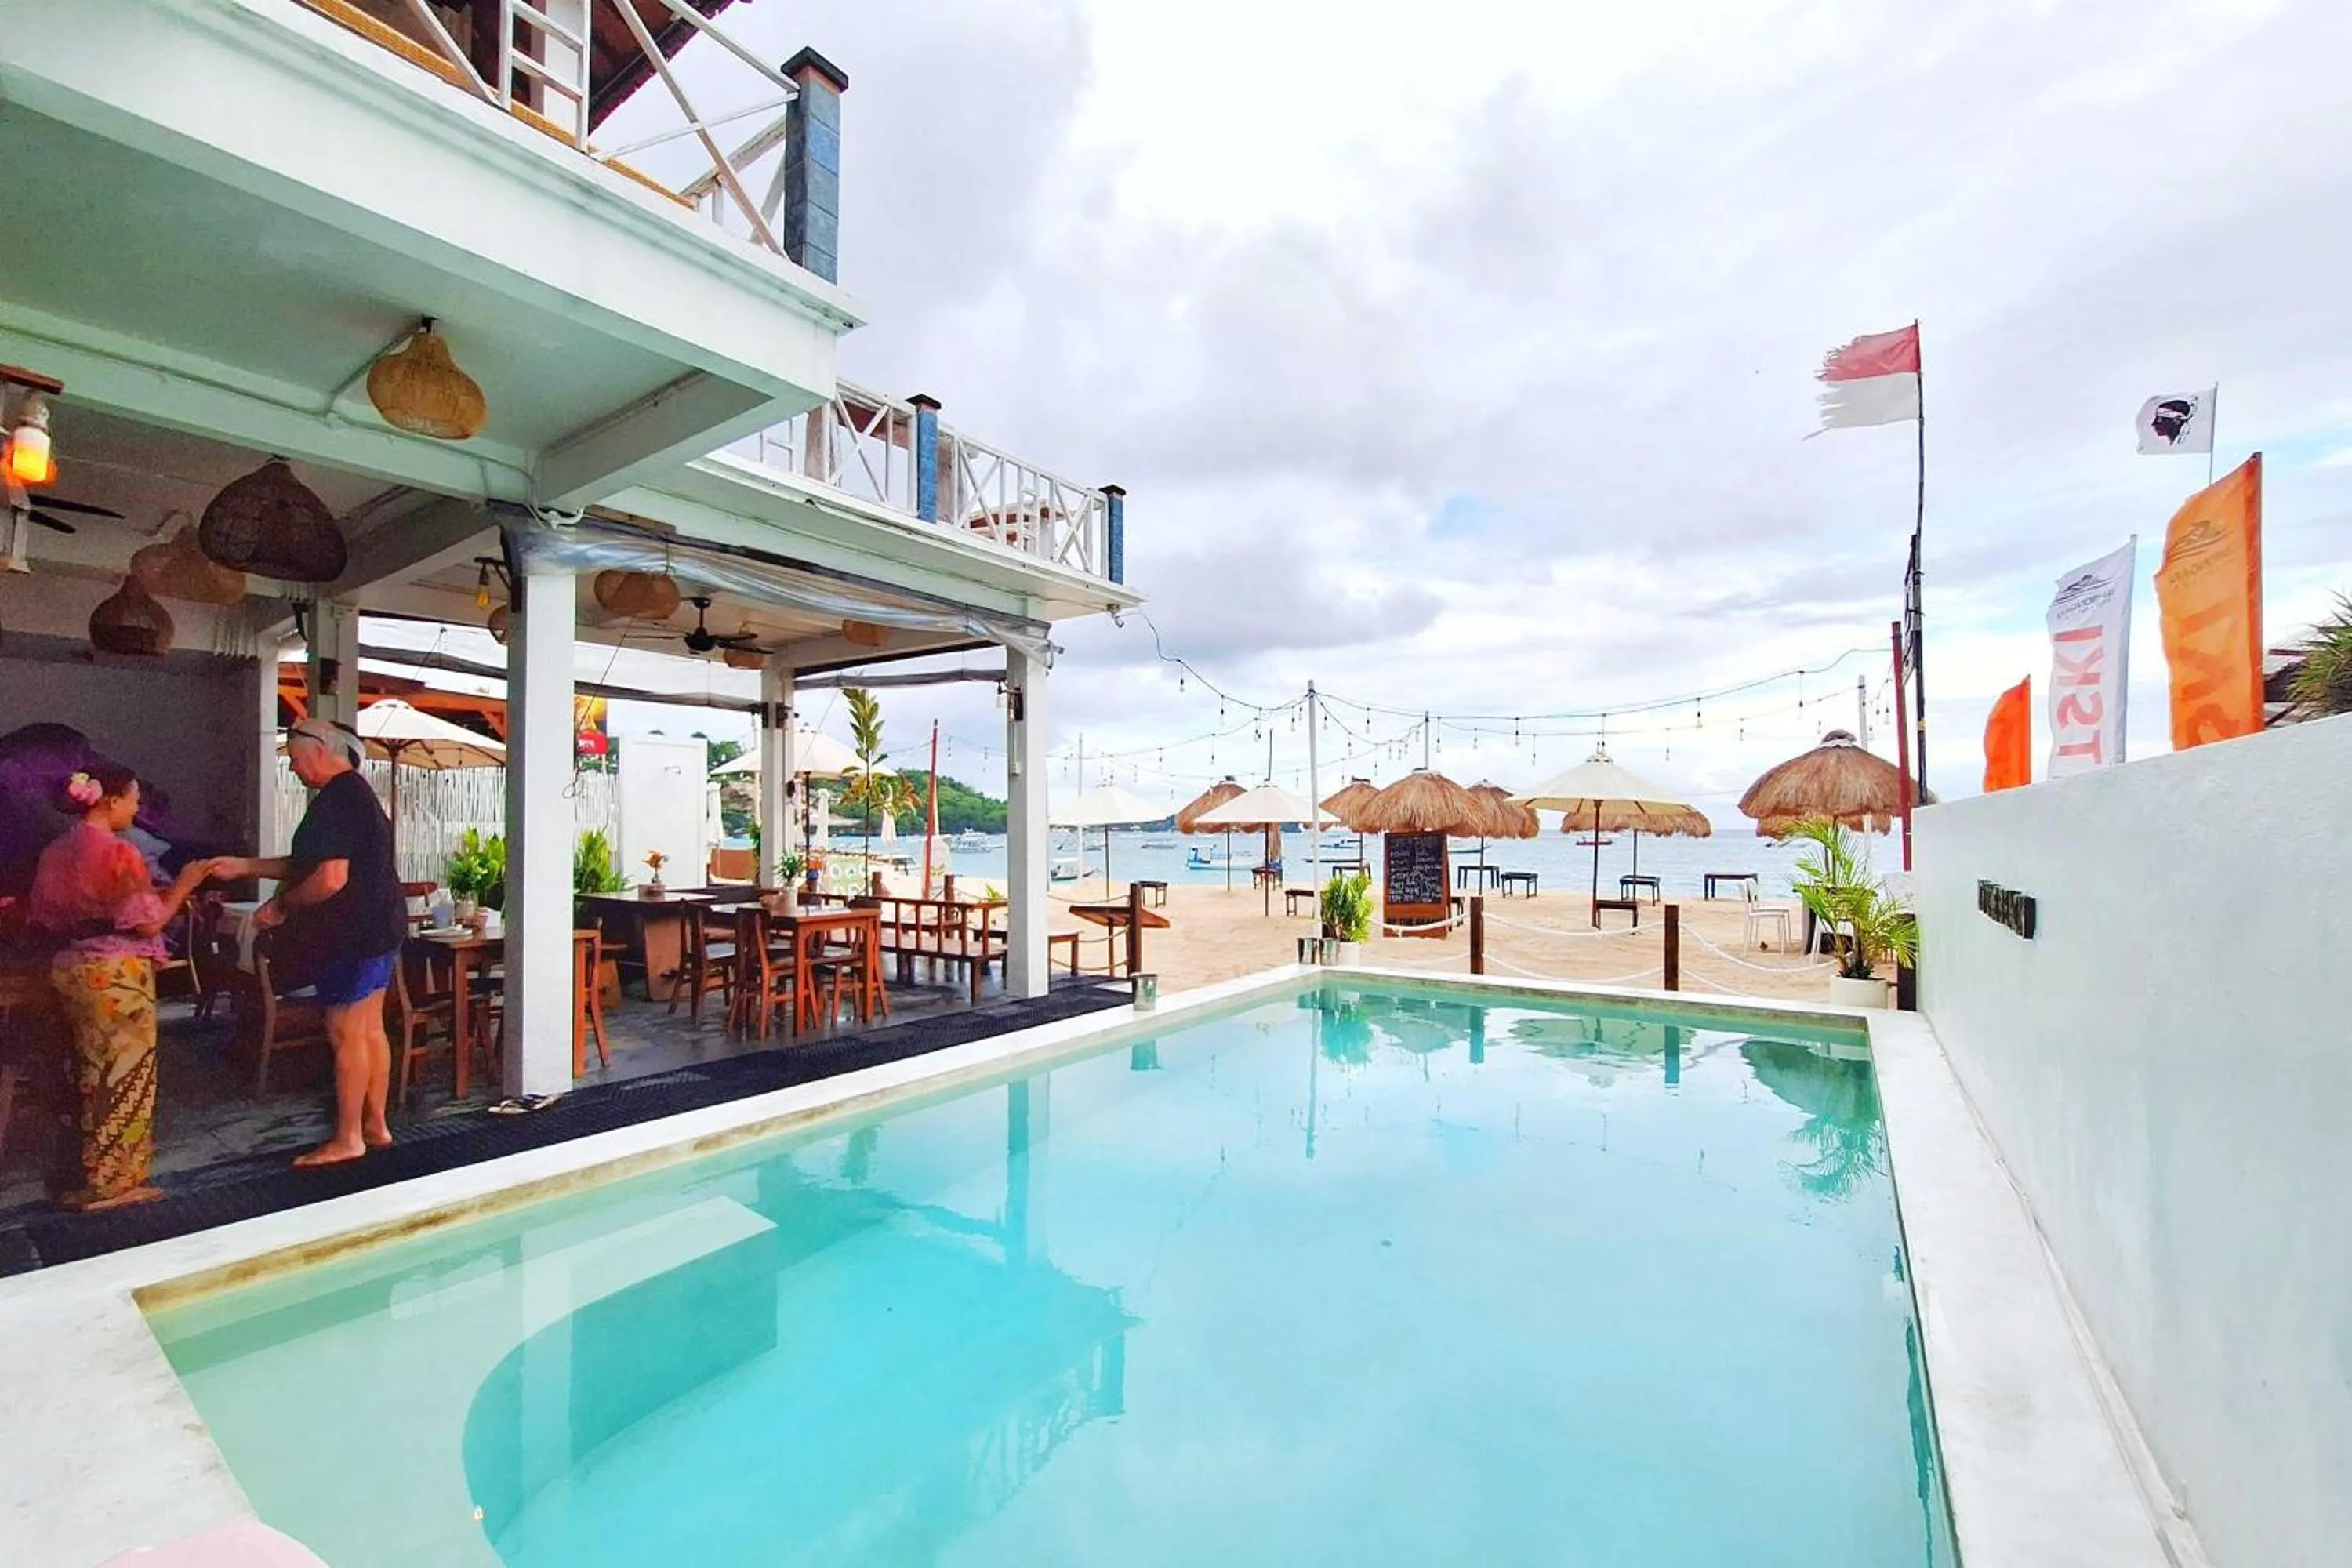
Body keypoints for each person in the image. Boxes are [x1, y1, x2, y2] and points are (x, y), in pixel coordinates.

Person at [208, 718, 408, 1167]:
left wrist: (280, 908)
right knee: (370, 1028)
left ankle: (349, 1137)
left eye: (296, 759)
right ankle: (375, 1126)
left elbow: (330, 879)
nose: (294, 768)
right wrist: (244, 867)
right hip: (381, 926)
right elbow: (307, 863)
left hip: (356, 931)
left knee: (345, 1030)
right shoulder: (354, 796)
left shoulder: (338, 800)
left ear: (322, 751)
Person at [27, 765, 212, 1209]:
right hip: (115, 976)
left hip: (69, 968)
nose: (136, 808)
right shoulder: (119, 853)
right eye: (132, 799)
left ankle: (89, 1172)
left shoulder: (55, 851)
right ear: (110, 801)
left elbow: (42, 916)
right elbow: (148, 923)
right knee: (127, 1077)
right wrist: (186, 884)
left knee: (90, 1074)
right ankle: (114, 1184)